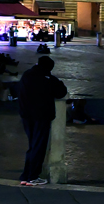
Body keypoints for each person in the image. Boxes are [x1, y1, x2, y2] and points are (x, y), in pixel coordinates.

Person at [15, 54, 68, 185]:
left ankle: (25, 175)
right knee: (39, 146)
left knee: (32, 145)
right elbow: (61, 92)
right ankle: (32, 176)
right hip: (41, 116)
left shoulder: (27, 75)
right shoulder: (48, 78)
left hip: (26, 116)